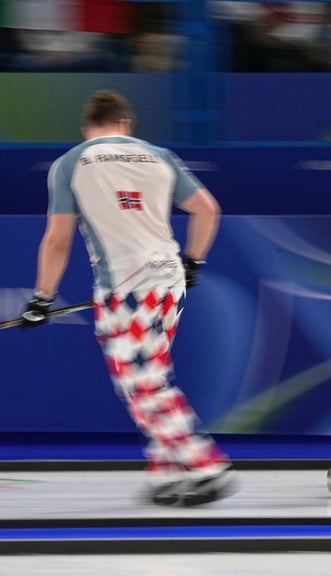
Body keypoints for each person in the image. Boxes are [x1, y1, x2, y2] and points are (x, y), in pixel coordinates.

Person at [19, 89, 236, 507]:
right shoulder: (159, 155)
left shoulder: (72, 162)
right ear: (126, 124)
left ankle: (205, 463)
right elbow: (208, 209)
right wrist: (194, 263)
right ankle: (165, 470)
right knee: (144, 376)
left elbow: (58, 240)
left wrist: (41, 298)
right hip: (168, 281)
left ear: (88, 128)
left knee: (141, 380)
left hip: (125, 286)